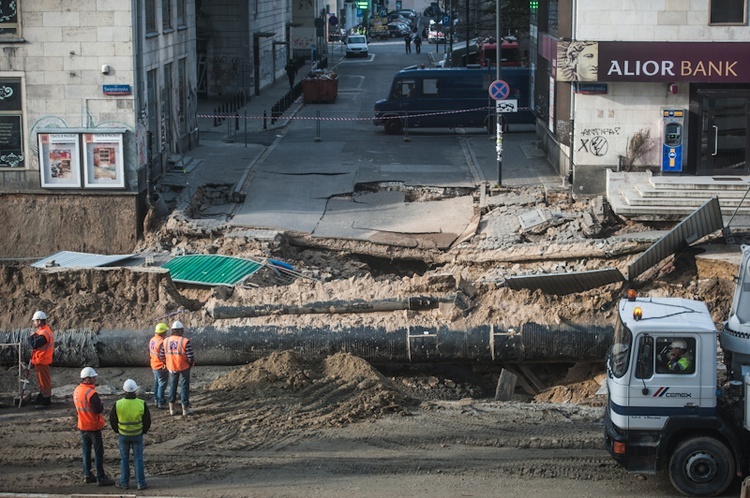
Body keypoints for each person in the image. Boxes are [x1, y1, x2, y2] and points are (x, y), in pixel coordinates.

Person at [73, 367, 115, 486]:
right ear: (88, 379)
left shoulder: (77, 390)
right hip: (93, 426)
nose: (95, 379)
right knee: (98, 453)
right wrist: (101, 404)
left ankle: (87, 474)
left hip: (82, 425)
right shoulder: (91, 393)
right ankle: (100, 477)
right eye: (93, 377)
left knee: (86, 451)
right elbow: (98, 410)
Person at [110, 379, 151, 491]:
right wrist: (143, 431)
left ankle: (124, 482)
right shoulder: (141, 404)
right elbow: (147, 421)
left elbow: (113, 419)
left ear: (124, 390)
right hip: (137, 434)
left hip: (123, 434)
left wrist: (118, 430)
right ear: (136, 390)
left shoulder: (118, 404)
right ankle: (140, 483)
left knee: (124, 459)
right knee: (138, 458)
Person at [165, 320, 195, 416]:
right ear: (181, 330)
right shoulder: (184, 341)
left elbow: (161, 355)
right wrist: (191, 363)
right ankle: (185, 409)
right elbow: (190, 356)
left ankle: (172, 409)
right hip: (183, 367)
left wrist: (167, 363)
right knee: (184, 387)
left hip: (171, 367)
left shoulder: (166, 341)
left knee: (172, 387)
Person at [29, 310, 54, 408]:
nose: (34, 323)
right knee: (42, 381)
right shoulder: (43, 330)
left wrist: (31, 337)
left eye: (35, 321)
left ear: (39, 321)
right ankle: (42, 396)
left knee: (44, 381)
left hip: (42, 360)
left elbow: (34, 344)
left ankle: (46, 400)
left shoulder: (44, 333)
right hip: (40, 360)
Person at [149, 323, 169, 409]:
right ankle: (161, 401)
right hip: (161, 366)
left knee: (157, 383)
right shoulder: (162, 342)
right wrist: (165, 364)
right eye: (166, 331)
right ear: (163, 332)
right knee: (162, 384)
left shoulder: (152, 340)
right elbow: (162, 356)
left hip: (154, 364)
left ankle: (156, 400)